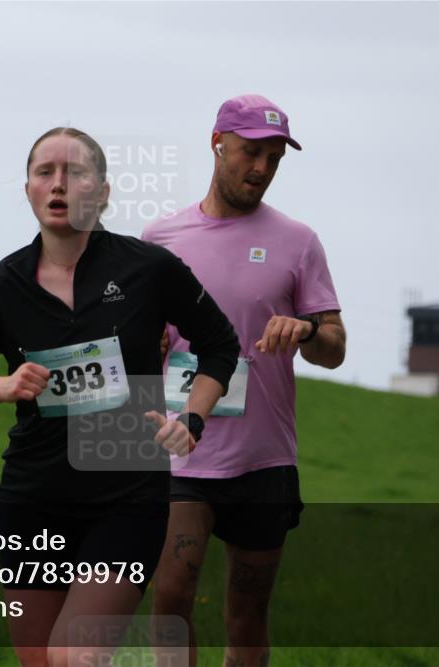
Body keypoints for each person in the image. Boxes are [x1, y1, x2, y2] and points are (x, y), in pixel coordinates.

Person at [0, 127, 240, 667]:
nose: (59, 184)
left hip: (125, 486)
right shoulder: (1, 286)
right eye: (45, 172)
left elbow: (220, 346)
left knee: (77, 656)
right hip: (34, 493)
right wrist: (4, 386)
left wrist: (192, 417)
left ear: (105, 191)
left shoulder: (148, 269)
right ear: (27, 189)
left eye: (76, 172)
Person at [141, 94, 346, 666]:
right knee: (171, 596)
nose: (261, 169)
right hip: (182, 449)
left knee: (247, 618)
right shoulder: (160, 238)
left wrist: (304, 329)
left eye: (274, 158)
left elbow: (335, 348)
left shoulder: (298, 241)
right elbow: (132, 340)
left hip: (263, 459)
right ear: (218, 144)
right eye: (250, 153)